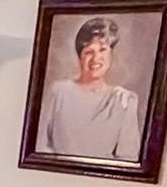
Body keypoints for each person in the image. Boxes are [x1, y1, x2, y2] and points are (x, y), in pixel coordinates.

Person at [39, 16, 142, 160]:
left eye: (102, 50)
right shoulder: (59, 92)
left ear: (111, 55)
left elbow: (127, 158)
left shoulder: (124, 101)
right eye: (88, 51)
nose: (95, 58)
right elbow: (40, 146)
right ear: (79, 56)